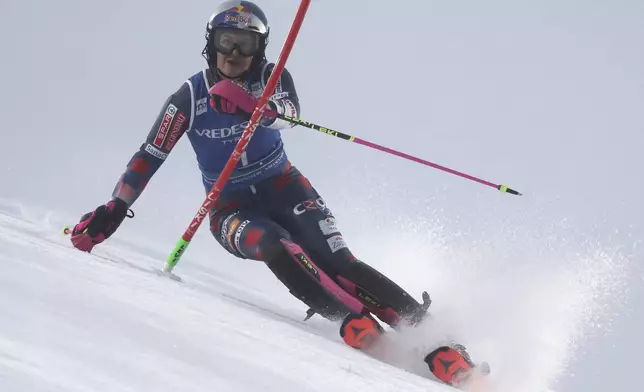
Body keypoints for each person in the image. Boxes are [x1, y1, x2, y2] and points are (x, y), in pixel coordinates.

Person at [69, 0, 472, 380]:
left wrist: (260, 109)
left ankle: (439, 344)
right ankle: (350, 319)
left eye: (245, 45)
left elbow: (289, 114)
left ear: (259, 49)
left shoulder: (269, 78)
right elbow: (151, 153)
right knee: (273, 244)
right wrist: (117, 207)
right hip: (229, 207)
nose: (233, 54)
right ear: (209, 45)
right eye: (225, 42)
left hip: (285, 186)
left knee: (340, 262)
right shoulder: (188, 98)